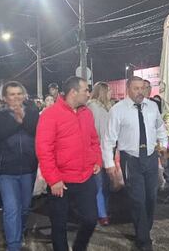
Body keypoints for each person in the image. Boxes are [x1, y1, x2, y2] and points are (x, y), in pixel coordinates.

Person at [37, 77, 101, 251]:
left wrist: (96, 159)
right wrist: (53, 179)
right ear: (73, 92)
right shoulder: (51, 114)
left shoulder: (86, 113)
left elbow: (94, 140)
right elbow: (44, 150)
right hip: (61, 181)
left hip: (85, 176)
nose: (88, 93)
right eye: (86, 90)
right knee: (59, 225)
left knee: (90, 218)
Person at [104, 77, 167, 251]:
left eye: (142, 88)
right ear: (128, 89)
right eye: (136, 88)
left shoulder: (152, 106)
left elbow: (160, 128)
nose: (140, 92)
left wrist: (164, 145)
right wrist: (109, 163)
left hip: (150, 157)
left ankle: (145, 229)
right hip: (131, 159)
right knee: (138, 199)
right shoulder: (118, 110)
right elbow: (109, 139)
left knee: (151, 198)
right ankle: (144, 240)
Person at [0, 81, 39, 251]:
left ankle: (21, 229)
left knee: (25, 207)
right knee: (11, 208)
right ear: (5, 98)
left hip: (28, 168)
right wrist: (17, 120)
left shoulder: (33, 112)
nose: (16, 97)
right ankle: (13, 245)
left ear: (24, 95)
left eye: (19, 93)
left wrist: (22, 118)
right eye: (12, 94)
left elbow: (35, 131)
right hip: (6, 170)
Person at [87, 82, 113, 226]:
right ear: (103, 92)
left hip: (105, 150)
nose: (111, 93)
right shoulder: (95, 108)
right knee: (99, 184)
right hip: (97, 151)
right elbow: (97, 133)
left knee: (104, 184)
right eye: (109, 91)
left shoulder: (105, 107)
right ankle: (101, 214)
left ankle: (103, 211)